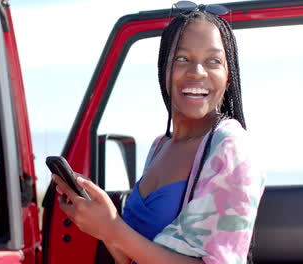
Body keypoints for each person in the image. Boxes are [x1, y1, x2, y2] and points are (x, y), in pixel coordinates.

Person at [51, 5, 266, 264]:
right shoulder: (159, 146)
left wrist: (112, 228)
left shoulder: (231, 149)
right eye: (182, 59)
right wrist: (100, 222)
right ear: (164, 70)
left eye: (213, 61)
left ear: (228, 76)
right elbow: (130, 256)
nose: (197, 72)